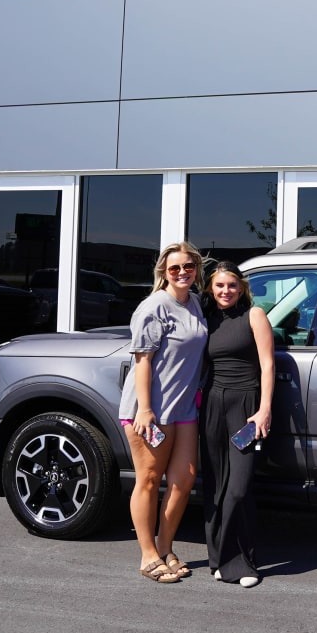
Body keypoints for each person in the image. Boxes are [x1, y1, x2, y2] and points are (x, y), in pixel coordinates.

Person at [118, 242, 207, 583]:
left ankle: (166, 547)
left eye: (188, 267)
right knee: (150, 479)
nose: (182, 273)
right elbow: (143, 360)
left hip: (184, 408)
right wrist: (145, 408)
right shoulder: (154, 307)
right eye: (175, 268)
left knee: (183, 481)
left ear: (196, 269)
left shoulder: (196, 303)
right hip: (149, 411)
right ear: (164, 272)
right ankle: (147, 555)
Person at [200, 262, 274, 587]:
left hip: (245, 408)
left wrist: (264, 409)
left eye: (231, 285)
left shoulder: (254, 316)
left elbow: (268, 364)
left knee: (239, 487)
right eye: (219, 286)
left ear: (241, 287)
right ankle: (218, 559)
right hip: (213, 405)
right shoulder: (208, 320)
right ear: (211, 289)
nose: (225, 291)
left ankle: (242, 562)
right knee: (215, 486)